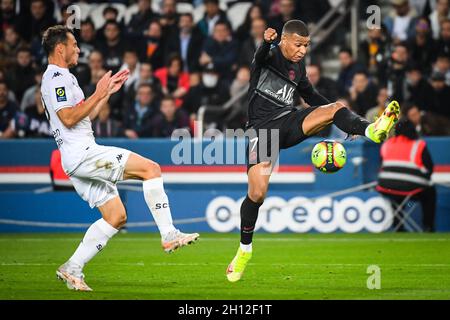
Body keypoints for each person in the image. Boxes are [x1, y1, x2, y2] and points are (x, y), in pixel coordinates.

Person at [225, 20, 400, 283]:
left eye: (306, 45)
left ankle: (371, 130)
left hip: (288, 121)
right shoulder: (269, 56)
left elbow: (313, 97)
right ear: (284, 40)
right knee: (257, 193)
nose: (302, 50)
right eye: (298, 45)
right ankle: (244, 250)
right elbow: (260, 55)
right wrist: (266, 41)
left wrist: (344, 120)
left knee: (334, 107)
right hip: (261, 131)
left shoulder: (299, 67)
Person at [40, 25, 199, 292]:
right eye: (74, 44)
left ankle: (71, 268)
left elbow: (81, 116)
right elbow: (67, 118)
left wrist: (106, 94)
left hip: (76, 156)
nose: (79, 49)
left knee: (115, 216)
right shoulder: (57, 77)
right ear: (60, 48)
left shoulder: (61, 77)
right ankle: (169, 234)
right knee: (151, 169)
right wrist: (99, 93)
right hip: (82, 154)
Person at [376, 118, 436, 232]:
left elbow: (382, 164)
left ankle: (398, 225)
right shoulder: (419, 144)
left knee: (395, 191)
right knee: (430, 192)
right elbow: (429, 168)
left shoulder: (387, 144)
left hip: (386, 187)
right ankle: (428, 226)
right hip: (411, 187)